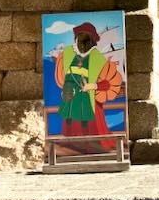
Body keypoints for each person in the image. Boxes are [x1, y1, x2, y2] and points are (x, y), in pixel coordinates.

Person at [52, 22, 123, 152]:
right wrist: (66, 89)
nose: (82, 45)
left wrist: (93, 86)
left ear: (92, 41)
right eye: (80, 40)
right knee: (72, 122)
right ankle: (72, 143)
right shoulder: (67, 54)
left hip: (90, 100)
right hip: (72, 98)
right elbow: (63, 77)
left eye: (86, 41)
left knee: (90, 124)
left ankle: (93, 145)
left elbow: (111, 82)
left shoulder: (99, 59)